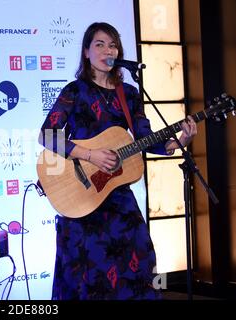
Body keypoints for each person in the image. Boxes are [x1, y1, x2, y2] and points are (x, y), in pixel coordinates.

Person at [39, 22, 197, 300]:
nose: (107, 50)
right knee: (88, 275)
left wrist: (178, 142)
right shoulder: (74, 91)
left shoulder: (130, 95)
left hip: (116, 196)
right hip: (82, 197)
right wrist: (90, 155)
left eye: (112, 45)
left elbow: (146, 138)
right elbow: (47, 136)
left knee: (142, 259)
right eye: (99, 44)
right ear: (86, 52)